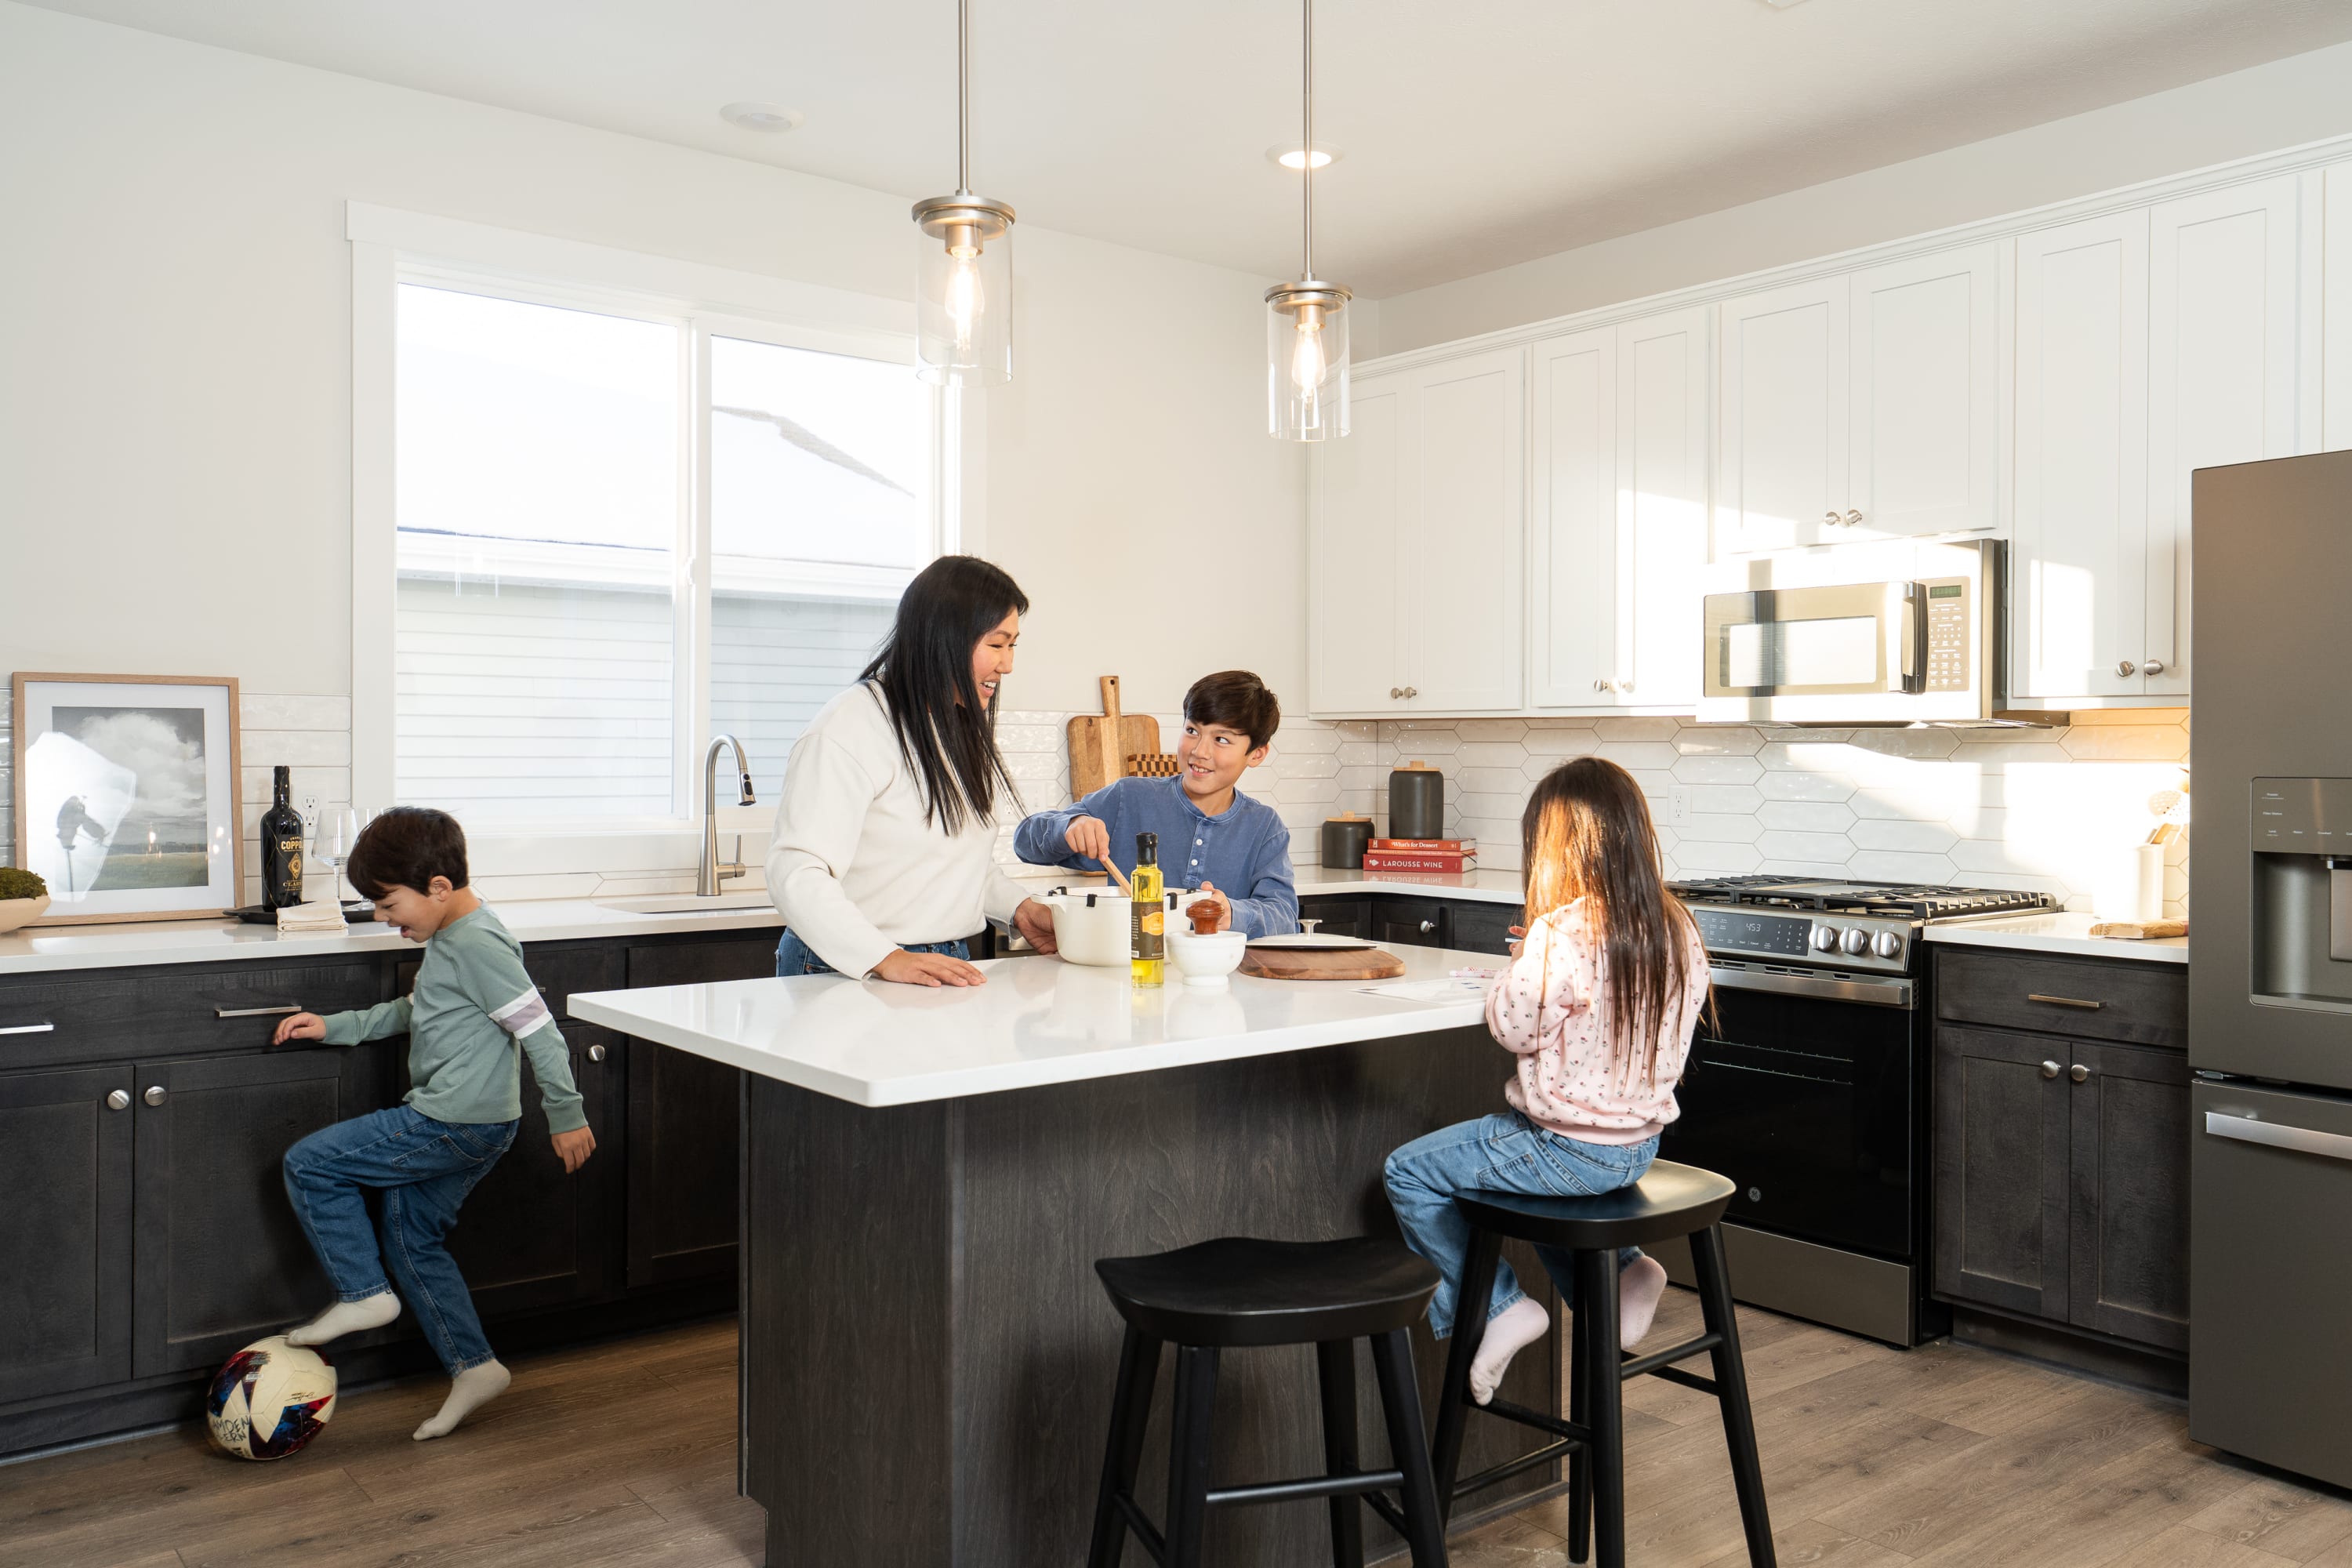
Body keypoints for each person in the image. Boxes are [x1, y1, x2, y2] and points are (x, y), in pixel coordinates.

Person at [1383, 757, 1709, 1406]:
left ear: (1556, 850)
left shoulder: (1563, 931)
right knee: (1552, 1196)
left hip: (1566, 1149)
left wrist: (1523, 960)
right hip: (1636, 1150)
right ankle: (1623, 1273)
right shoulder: (1676, 923)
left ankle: (1504, 1306)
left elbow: (1514, 1028)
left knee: (1409, 1173)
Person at [270, 807, 593, 1441]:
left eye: (389, 906)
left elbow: (542, 1033)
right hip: (476, 1125)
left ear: (439, 888)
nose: (386, 922)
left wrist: (568, 1114)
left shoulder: (477, 942)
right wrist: (335, 1026)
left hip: (451, 1123)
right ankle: (475, 1367)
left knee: (309, 1163)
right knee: (413, 1244)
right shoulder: (453, 938)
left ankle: (364, 1292)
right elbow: (416, 1010)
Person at [766, 554, 1060, 985]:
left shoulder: (954, 726)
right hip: (845, 968)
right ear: (944, 639)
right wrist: (884, 957)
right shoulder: (850, 726)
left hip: (942, 961)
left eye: (1013, 645)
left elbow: (950, 862)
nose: (1008, 664)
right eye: (997, 645)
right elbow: (795, 870)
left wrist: (1020, 908)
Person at [1012, 670, 1298, 937]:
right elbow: (1025, 843)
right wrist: (1069, 826)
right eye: (1192, 731)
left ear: (1257, 754)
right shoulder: (1129, 797)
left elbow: (1285, 916)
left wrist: (1233, 913)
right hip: (1127, 978)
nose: (1199, 751)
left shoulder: (1264, 826)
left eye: (1221, 739)